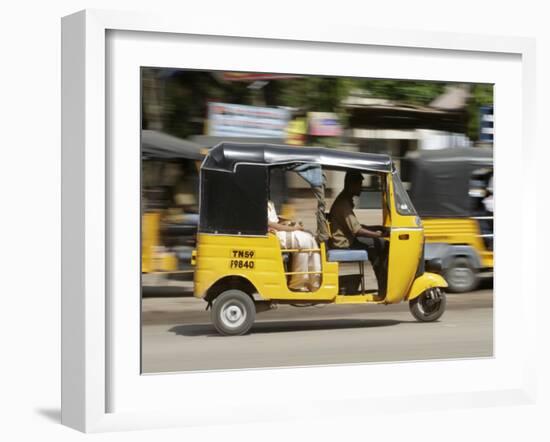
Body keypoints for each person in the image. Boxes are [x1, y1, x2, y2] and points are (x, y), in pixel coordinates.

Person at [328, 171, 386, 291]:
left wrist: (377, 228)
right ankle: (384, 285)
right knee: (380, 245)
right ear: (351, 184)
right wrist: (377, 235)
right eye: (359, 184)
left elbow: (356, 226)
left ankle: (383, 283)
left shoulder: (345, 200)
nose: (361, 188)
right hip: (344, 244)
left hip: (347, 239)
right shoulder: (343, 204)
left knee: (379, 243)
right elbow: (357, 230)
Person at [267, 200, 321, 292]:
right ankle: (297, 284)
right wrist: (293, 228)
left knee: (310, 237)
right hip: (273, 236)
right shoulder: (258, 202)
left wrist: (289, 224)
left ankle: (313, 281)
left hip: (277, 233)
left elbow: (275, 223)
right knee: (304, 241)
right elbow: (270, 224)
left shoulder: (269, 202)